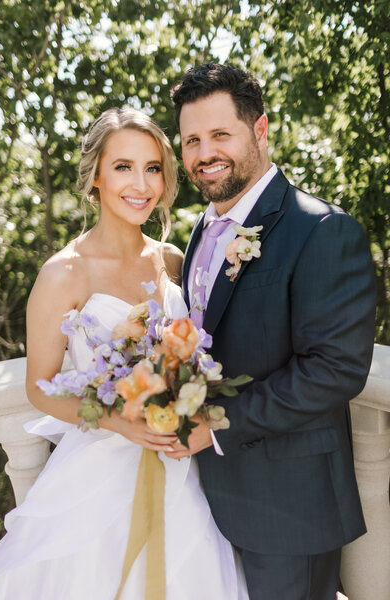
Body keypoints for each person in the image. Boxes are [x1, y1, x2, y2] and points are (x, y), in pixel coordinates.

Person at [0, 107, 248, 599]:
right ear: (95, 177)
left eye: (152, 168)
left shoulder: (173, 259)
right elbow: (40, 387)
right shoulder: (63, 273)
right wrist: (119, 421)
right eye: (123, 166)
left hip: (180, 464)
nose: (141, 184)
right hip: (98, 472)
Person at [167, 63, 377, 600]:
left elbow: (334, 371)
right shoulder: (202, 230)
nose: (204, 152)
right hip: (209, 499)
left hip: (289, 512)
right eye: (192, 139)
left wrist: (212, 427)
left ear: (259, 131)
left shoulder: (322, 230)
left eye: (220, 134)